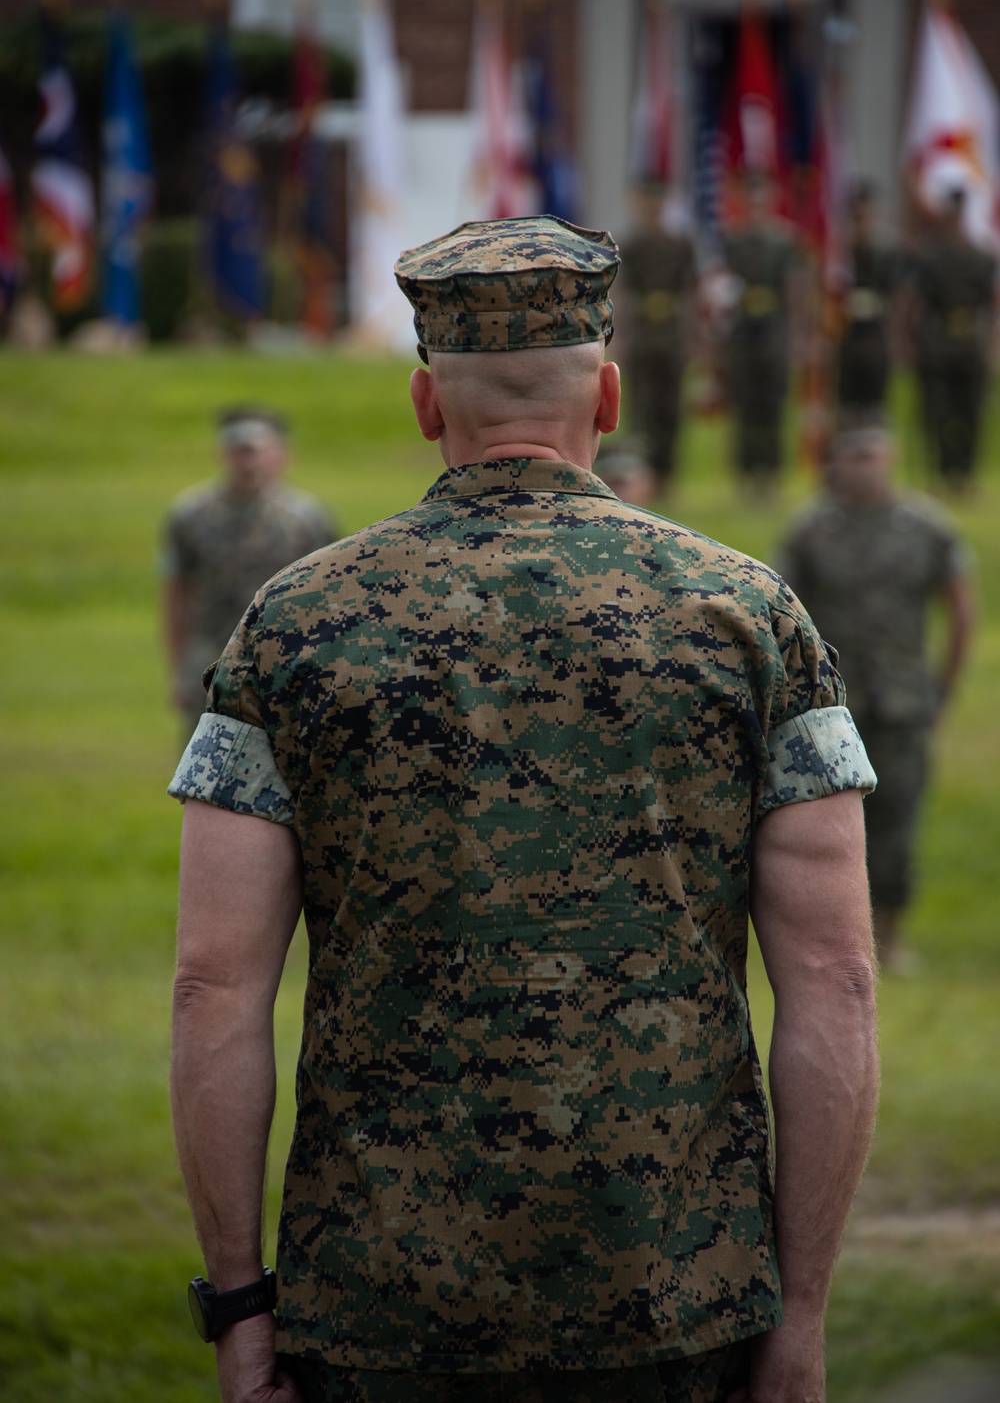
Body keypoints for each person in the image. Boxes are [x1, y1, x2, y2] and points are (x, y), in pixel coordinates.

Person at [169, 215, 878, 1403]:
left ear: (423, 403)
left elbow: (214, 990)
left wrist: (242, 1313)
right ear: (606, 395)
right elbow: (836, 982)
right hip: (675, 1297)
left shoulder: (292, 624)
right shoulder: (749, 617)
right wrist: (797, 1318)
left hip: (380, 1310)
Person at [777, 425, 975, 971]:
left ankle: (891, 934)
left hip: (902, 700)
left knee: (898, 815)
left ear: (891, 459)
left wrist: (943, 686)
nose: (862, 467)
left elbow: (960, 606)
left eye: (872, 456)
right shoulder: (811, 529)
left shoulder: (926, 527)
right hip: (831, 703)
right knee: (822, 823)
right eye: (852, 456)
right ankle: (828, 935)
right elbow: (780, 606)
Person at [160, 405, 336, 742]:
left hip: (284, 666)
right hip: (211, 663)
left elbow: (328, 600)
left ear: (281, 454)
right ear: (222, 453)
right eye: (239, 451)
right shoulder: (190, 515)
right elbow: (178, 593)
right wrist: (178, 670)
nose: (248, 462)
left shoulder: (307, 519)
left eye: (256, 451)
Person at [908, 187, 997, 488]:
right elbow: (916, 304)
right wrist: (912, 342)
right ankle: (942, 469)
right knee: (938, 409)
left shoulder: (982, 257)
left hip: (971, 338)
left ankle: (965, 473)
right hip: (939, 340)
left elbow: (993, 304)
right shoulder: (930, 257)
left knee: (970, 409)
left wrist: (993, 346)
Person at [618, 182, 697, 495]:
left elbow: (690, 293)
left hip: (672, 332)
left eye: (658, 199)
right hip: (642, 332)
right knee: (642, 407)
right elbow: (621, 294)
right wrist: (619, 337)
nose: (652, 206)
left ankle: (668, 475)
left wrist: (694, 338)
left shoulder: (679, 245)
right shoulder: (632, 245)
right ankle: (642, 475)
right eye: (646, 200)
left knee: (671, 407)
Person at [722, 175, 799, 493]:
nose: (755, 207)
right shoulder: (733, 240)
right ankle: (746, 472)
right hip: (742, 331)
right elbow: (723, 288)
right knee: (744, 404)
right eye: (749, 200)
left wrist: (796, 336)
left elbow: (794, 290)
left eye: (760, 199)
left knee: (772, 405)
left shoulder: (784, 240)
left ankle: (771, 473)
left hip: (773, 330)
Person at [835, 182, 901, 421]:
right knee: (848, 398)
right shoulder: (841, 251)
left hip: (876, 331)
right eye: (857, 215)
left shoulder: (886, 251)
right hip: (846, 333)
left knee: (875, 398)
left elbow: (896, 295)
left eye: (866, 214)